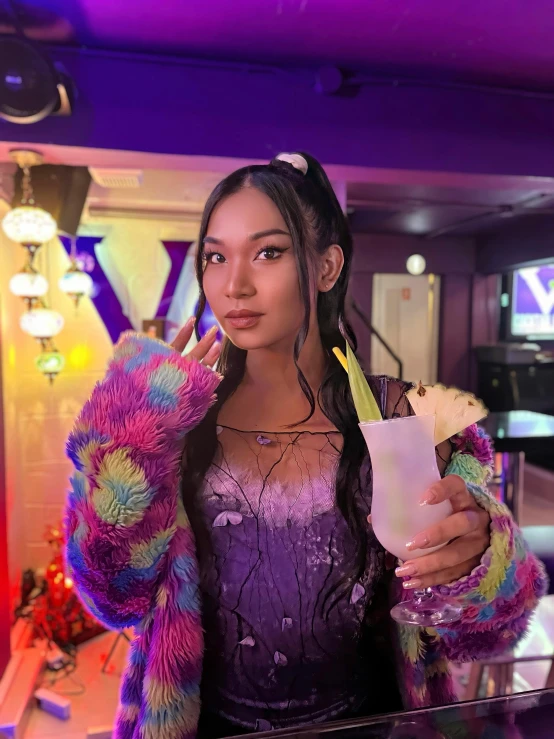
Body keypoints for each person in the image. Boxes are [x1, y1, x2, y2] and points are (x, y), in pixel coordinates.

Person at [64, 153, 546, 739]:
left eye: (268, 251)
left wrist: (477, 558)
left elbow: (493, 628)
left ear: (326, 266)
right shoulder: (175, 418)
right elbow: (112, 595)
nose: (234, 284)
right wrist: (134, 438)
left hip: (373, 724)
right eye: (216, 256)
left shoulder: (405, 415)